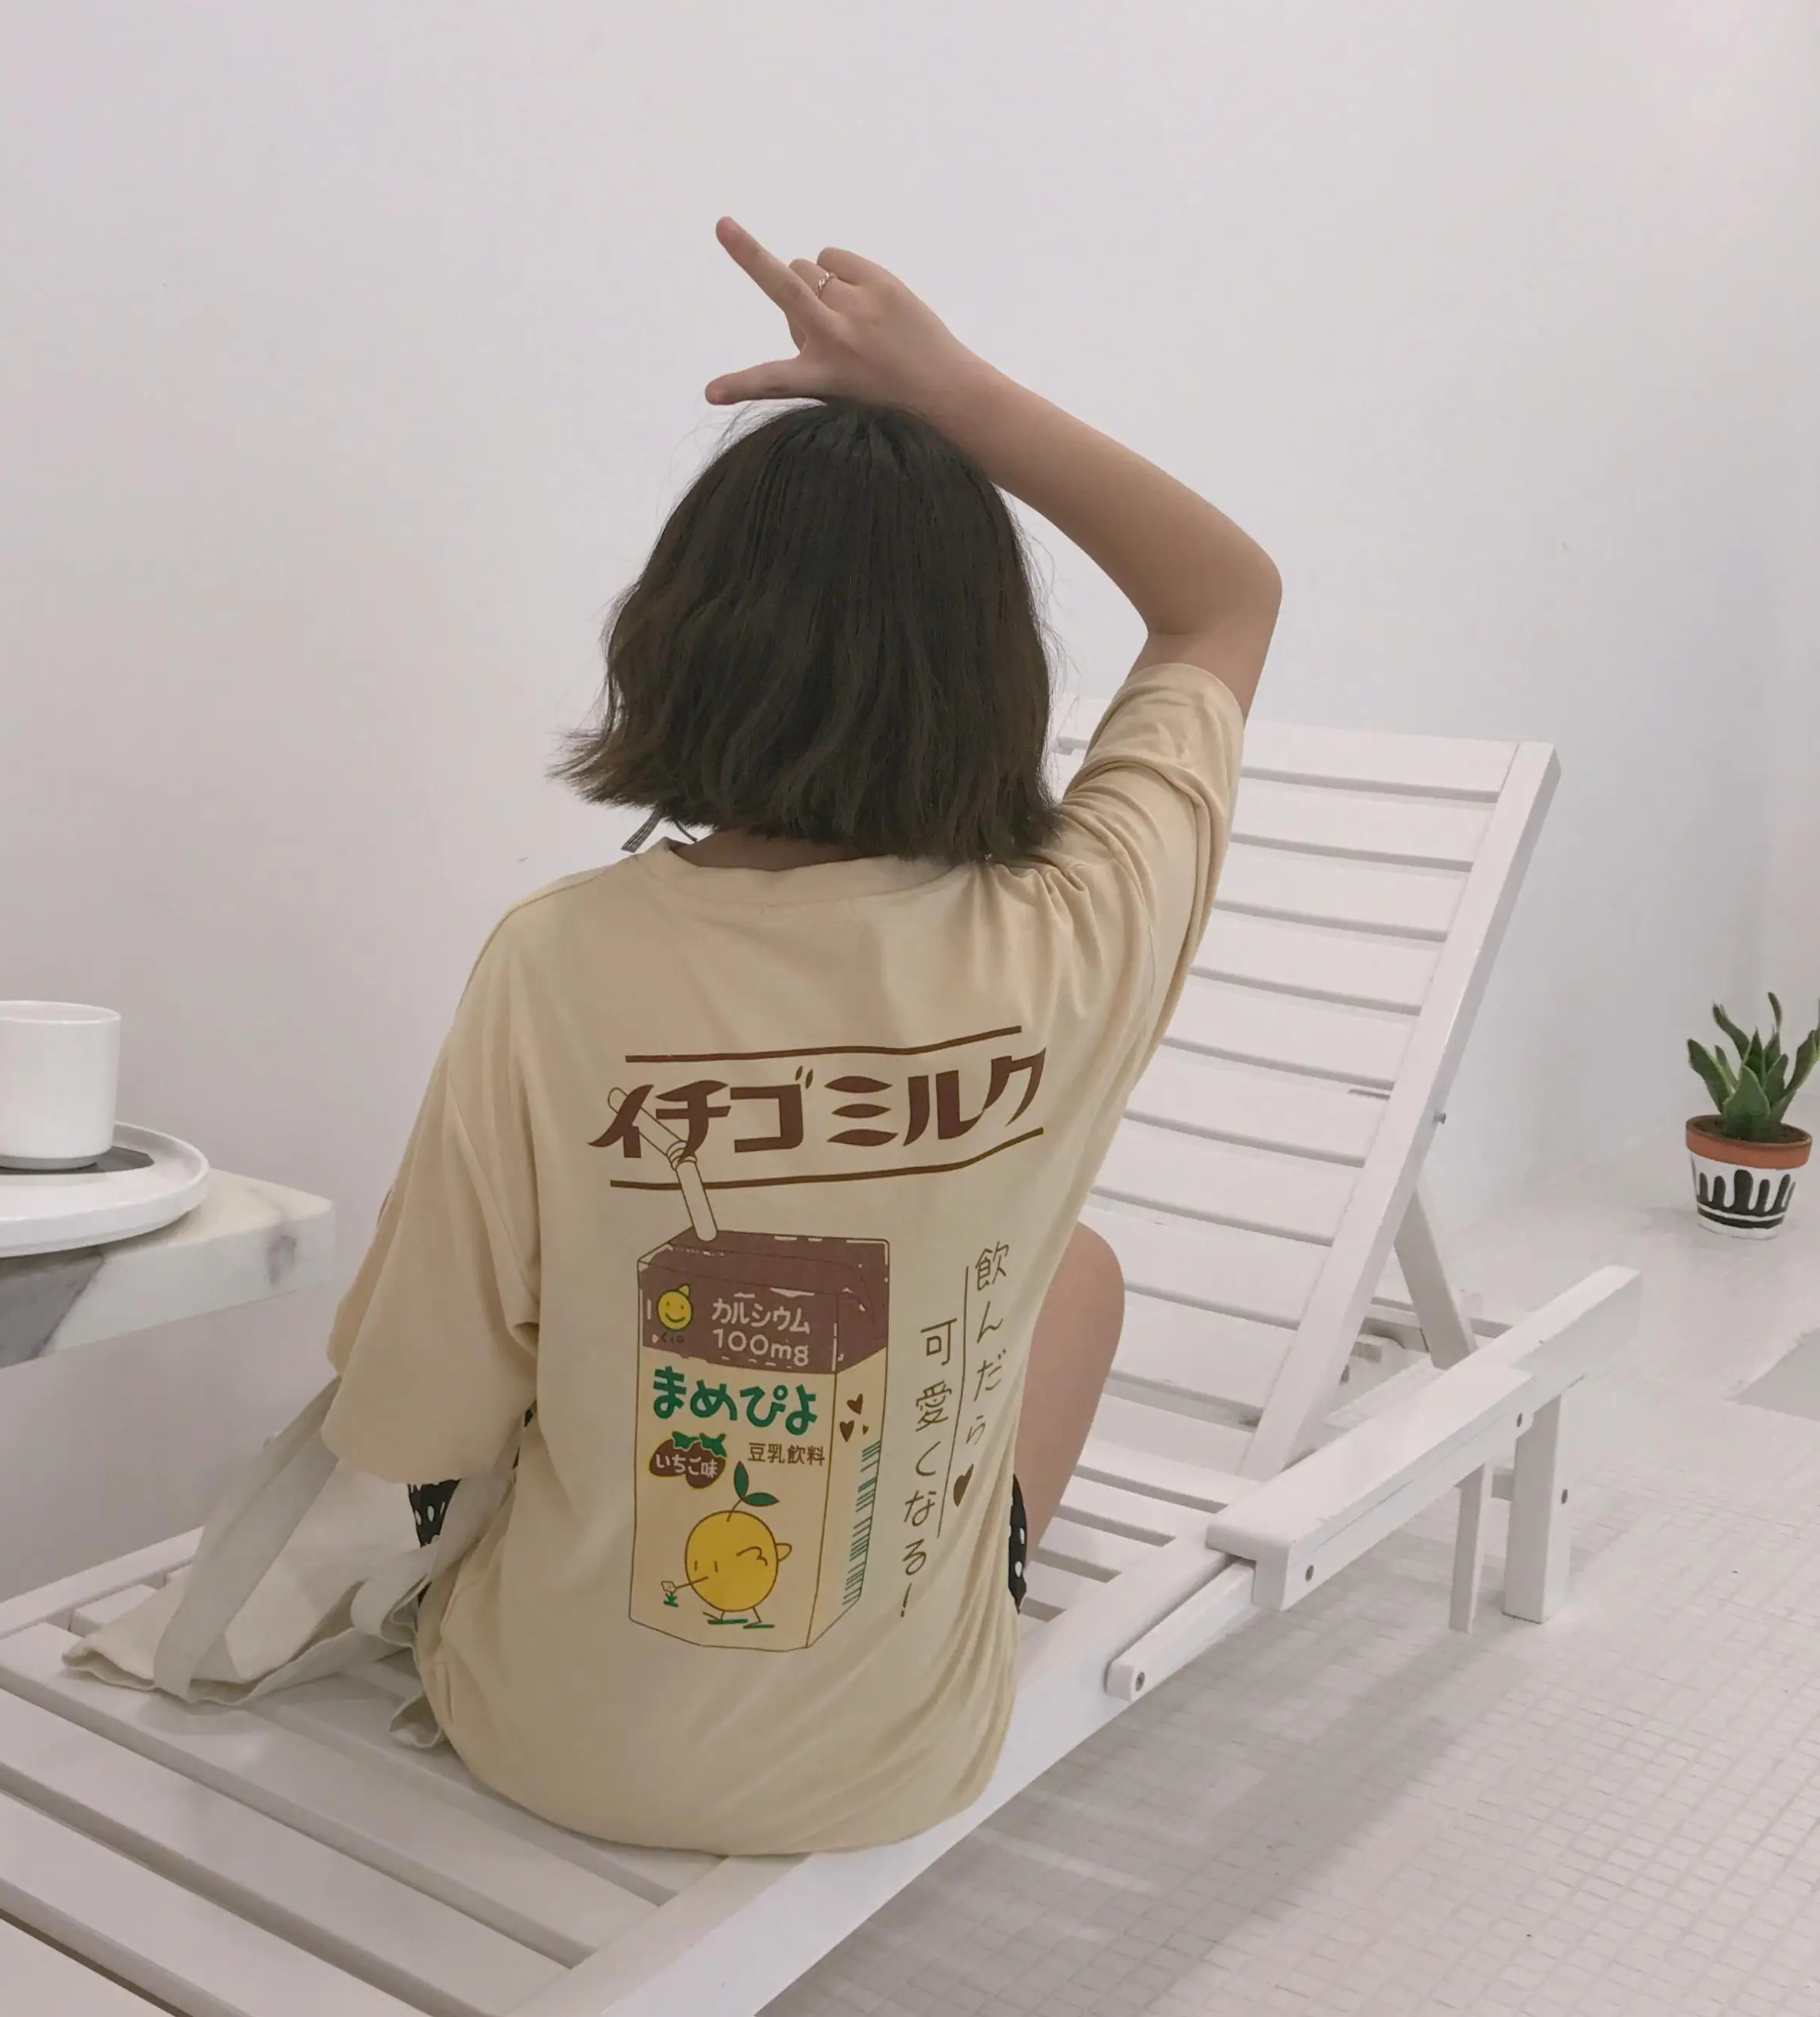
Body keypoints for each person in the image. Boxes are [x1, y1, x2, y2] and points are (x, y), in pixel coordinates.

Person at [323, 219, 1279, 1854]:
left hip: (543, 1732)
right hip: (895, 1767)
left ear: (672, 642)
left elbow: (418, 1421)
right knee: (1078, 1271)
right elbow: (1221, 600)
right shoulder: (1077, 933)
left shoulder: (556, 963)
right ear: (994, 675)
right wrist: (953, 393)